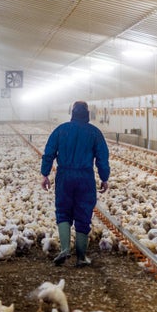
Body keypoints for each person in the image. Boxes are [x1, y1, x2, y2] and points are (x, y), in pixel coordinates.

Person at [41, 101, 110, 267]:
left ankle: (65, 248)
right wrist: (104, 177)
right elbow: (102, 158)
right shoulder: (94, 133)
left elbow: (49, 153)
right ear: (87, 113)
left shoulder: (61, 130)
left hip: (64, 176)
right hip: (85, 177)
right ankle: (81, 256)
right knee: (83, 213)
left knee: (63, 211)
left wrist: (45, 174)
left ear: (72, 112)